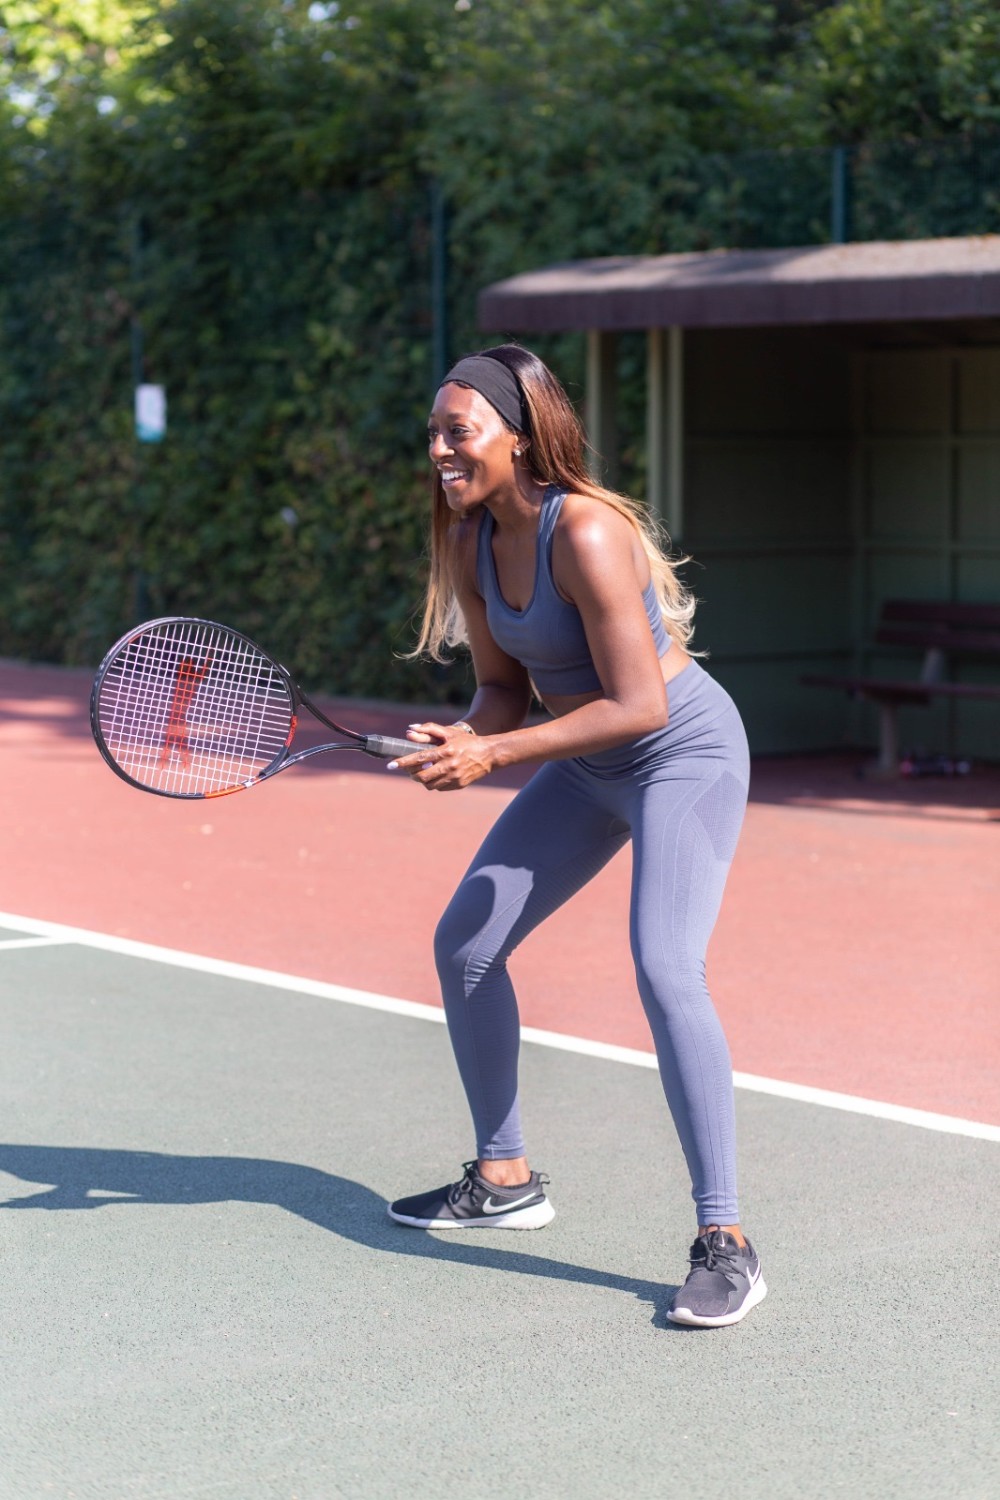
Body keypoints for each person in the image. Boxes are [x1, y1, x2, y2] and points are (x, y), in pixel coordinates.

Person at [384, 343, 766, 1329]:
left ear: (518, 435)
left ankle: (725, 1241)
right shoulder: (469, 541)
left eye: (458, 430)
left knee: (666, 967)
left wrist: (496, 756)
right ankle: (504, 1178)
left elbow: (639, 705)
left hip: (681, 754)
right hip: (587, 764)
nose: (439, 449)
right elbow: (503, 691)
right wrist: (465, 737)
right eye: (432, 433)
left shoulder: (587, 531)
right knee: (466, 945)